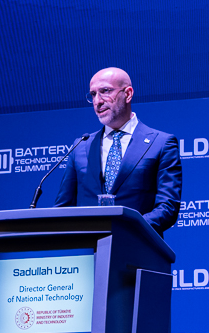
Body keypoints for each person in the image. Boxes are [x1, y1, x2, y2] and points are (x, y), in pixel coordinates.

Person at [54, 67, 182, 232]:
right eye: (93, 94)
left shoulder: (161, 143)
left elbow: (167, 207)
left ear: (128, 94)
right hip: (88, 246)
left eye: (105, 91)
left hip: (137, 243)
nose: (97, 101)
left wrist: (128, 230)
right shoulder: (81, 146)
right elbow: (63, 207)